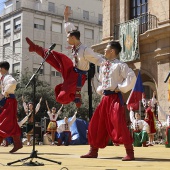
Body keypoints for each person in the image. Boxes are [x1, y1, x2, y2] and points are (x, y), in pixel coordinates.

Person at [25, 6, 104, 108]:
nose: (66, 40)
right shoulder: (75, 44)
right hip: (71, 70)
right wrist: (66, 18)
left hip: (77, 77)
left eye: (68, 38)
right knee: (55, 56)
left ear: (73, 38)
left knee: (61, 96)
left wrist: (108, 63)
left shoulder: (85, 50)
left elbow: (97, 58)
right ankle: (35, 48)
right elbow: (69, 30)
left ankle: (75, 96)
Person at [80, 41, 136, 161]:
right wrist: (101, 90)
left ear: (112, 51)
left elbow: (132, 77)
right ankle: (93, 151)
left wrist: (119, 87)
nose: (104, 51)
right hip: (105, 98)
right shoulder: (104, 65)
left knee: (119, 123)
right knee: (96, 124)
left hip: (115, 98)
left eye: (106, 49)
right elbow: (101, 81)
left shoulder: (120, 65)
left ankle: (130, 152)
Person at [0, 61, 22, 153]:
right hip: (7, 102)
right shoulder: (3, 78)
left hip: (9, 102)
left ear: (3, 68)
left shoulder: (8, 77)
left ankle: (17, 143)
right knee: (10, 122)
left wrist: (6, 92)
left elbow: (13, 82)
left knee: (4, 122)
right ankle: (17, 143)